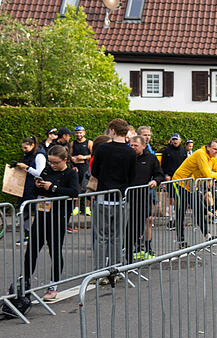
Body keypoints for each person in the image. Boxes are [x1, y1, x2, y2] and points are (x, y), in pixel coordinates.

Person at [20, 144, 80, 301]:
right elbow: (36, 192)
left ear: (65, 160)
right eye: (50, 162)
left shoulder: (70, 173)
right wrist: (38, 185)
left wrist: (52, 187)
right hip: (41, 215)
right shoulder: (47, 170)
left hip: (58, 217)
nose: (52, 166)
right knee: (31, 250)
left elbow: (74, 192)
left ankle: (53, 286)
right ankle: (24, 283)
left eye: (55, 163)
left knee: (54, 250)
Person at [90, 118, 136, 273]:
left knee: (101, 237)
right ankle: (115, 270)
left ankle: (99, 271)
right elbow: (132, 176)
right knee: (117, 236)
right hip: (121, 198)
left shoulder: (102, 149)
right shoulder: (131, 152)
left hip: (103, 197)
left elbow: (94, 172)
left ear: (113, 131)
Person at [171, 140, 217, 248]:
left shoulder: (213, 156)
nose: (216, 152)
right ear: (208, 148)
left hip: (192, 185)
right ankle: (181, 241)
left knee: (199, 210)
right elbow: (207, 173)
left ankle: (208, 236)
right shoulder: (201, 153)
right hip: (180, 182)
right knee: (181, 212)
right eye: (214, 149)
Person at [128, 135, 164, 261]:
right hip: (126, 196)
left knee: (142, 223)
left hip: (142, 196)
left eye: (135, 145)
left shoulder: (151, 158)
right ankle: (128, 250)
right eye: (131, 145)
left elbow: (159, 174)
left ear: (143, 146)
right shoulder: (126, 157)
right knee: (128, 224)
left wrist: (155, 181)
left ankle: (141, 247)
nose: (133, 148)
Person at [14, 137, 47, 246]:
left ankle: (35, 236)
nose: (24, 150)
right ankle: (28, 236)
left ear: (32, 145)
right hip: (27, 187)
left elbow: (40, 173)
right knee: (26, 211)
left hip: (35, 188)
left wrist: (27, 167)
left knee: (36, 212)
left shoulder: (40, 156)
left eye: (25, 148)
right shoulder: (30, 155)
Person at [71, 125, 93, 194]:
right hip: (75, 167)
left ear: (84, 133)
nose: (78, 134)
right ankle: (77, 204)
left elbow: (93, 155)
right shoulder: (72, 143)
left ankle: (86, 203)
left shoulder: (89, 142)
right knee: (76, 187)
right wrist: (72, 158)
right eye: (77, 133)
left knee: (86, 187)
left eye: (80, 133)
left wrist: (84, 157)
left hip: (85, 167)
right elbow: (69, 154)